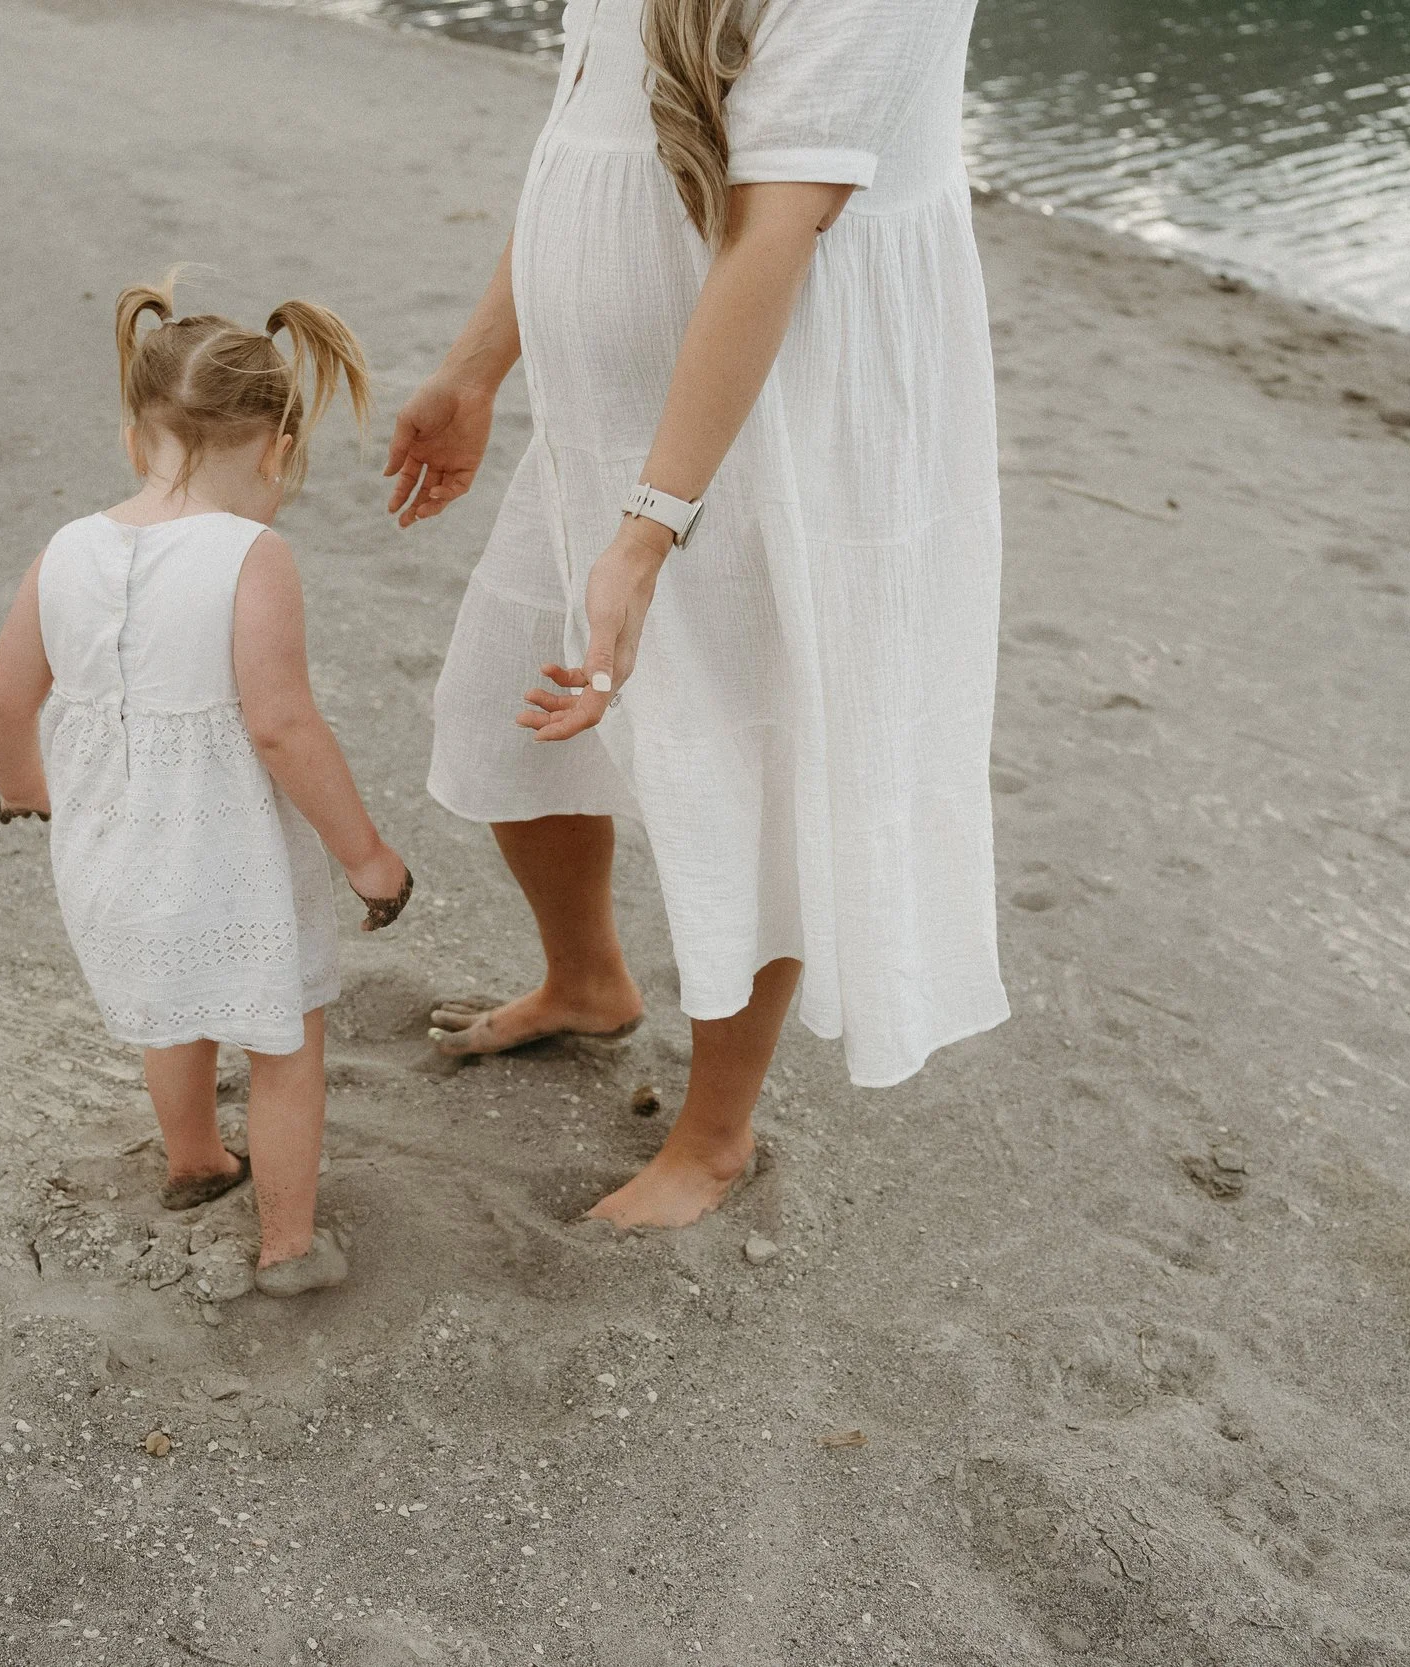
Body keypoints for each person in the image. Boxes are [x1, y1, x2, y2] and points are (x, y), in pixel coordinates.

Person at [388, 0, 1007, 1227]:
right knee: (504, 714)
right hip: (606, 414)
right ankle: (586, 982)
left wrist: (648, 526)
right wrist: (475, 366)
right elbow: (597, 128)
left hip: (773, 421)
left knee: (743, 771)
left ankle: (714, 1137)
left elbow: (776, 228)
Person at [0, 276, 413, 1296]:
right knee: (281, 1040)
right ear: (274, 447)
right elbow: (280, 724)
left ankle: (192, 1160)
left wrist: (26, 790)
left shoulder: (66, 549)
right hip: (231, 858)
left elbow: (3, 697)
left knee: (173, 1011)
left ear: (137, 435)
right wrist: (365, 856)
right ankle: (288, 1246)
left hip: (111, 853)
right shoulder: (250, 554)